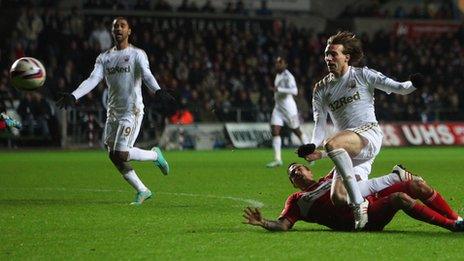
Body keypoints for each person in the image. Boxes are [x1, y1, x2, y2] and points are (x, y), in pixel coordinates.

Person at [296, 31, 424, 228]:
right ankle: (395, 178)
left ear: (346, 57)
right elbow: (319, 123)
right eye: (326, 54)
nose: (329, 58)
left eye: (334, 54)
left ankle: (358, 205)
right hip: (346, 149)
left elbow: (399, 87)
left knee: (332, 143)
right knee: (338, 197)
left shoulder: (363, 75)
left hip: (367, 135)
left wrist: (413, 84)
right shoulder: (321, 88)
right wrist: (313, 144)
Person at [56, 17, 176, 205]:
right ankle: (142, 190)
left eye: (122, 26)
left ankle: (155, 155)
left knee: (121, 153)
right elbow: (93, 79)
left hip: (132, 111)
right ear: (112, 32)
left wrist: (157, 90)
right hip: (113, 113)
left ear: (129, 31)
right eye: (115, 27)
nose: (118, 29)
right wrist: (74, 95)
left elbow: (146, 74)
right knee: (114, 156)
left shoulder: (137, 54)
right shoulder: (105, 58)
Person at [243, 163, 463, 232]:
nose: (297, 172)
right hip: (361, 221)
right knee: (399, 198)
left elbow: (346, 162)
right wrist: (263, 222)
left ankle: (456, 217)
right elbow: (283, 225)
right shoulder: (297, 200)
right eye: (293, 174)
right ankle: (451, 226)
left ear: (310, 171)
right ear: (293, 183)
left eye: (299, 169)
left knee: (416, 184)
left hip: (369, 200)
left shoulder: (330, 178)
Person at [266, 56, 309, 168]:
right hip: (278, 108)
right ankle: (277, 159)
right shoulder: (278, 74)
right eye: (276, 63)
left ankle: (310, 152)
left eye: (280, 63)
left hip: (289, 109)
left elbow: (294, 91)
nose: (277, 64)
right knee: (275, 131)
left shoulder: (288, 76)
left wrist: (279, 90)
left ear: (285, 64)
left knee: (297, 131)